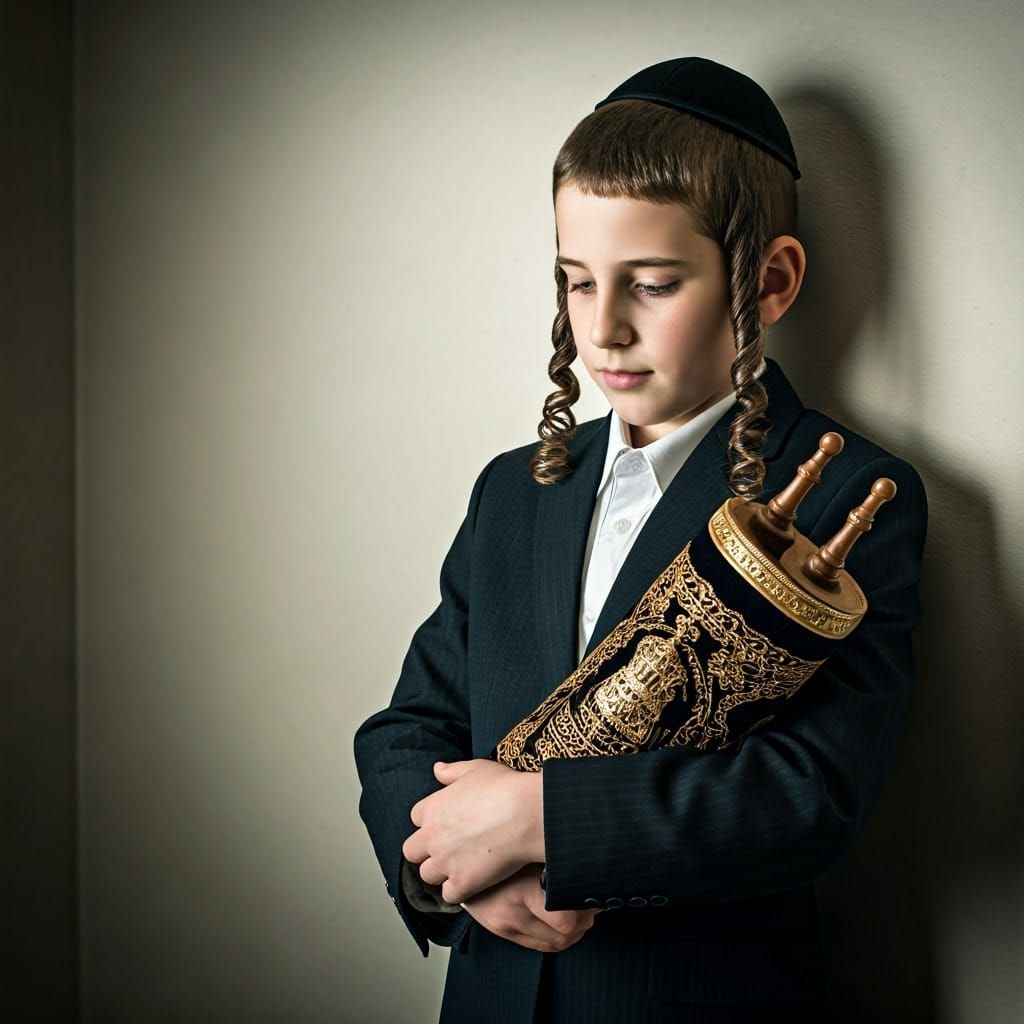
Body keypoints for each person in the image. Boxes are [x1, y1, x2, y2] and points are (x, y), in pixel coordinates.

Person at [353, 56, 928, 1024]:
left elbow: (811, 794)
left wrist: (539, 817)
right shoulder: (513, 488)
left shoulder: (849, 496)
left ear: (771, 280)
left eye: (653, 283)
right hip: (489, 990)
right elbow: (410, 726)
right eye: (576, 283)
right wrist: (453, 875)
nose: (604, 330)